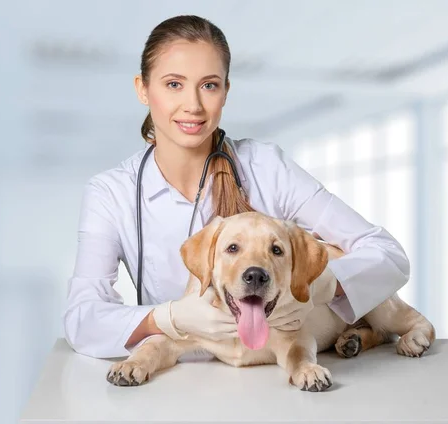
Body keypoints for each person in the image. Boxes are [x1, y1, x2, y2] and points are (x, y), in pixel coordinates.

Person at [63, 15, 410, 359]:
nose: (193, 105)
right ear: (142, 89)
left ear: (226, 91)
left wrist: (326, 286)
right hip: (175, 380)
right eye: (173, 84)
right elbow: (82, 319)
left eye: (209, 85)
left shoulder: (266, 167)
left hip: (266, 379)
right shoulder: (111, 193)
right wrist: (168, 317)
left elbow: (388, 254)